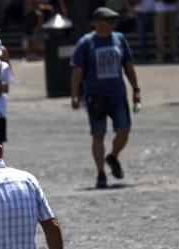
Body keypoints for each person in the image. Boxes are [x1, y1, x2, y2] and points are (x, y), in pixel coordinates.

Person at [70, 7, 141, 189]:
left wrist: (136, 89)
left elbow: (128, 65)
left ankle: (113, 156)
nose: (114, 23)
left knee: (124, 130)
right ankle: (101, 173)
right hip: (96, 96)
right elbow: (77, 70)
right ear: (98, 21)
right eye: (110, 20)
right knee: (98, 134)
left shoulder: (119, 39)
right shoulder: (86, 43)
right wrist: (75, 94)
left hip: (117, 94)